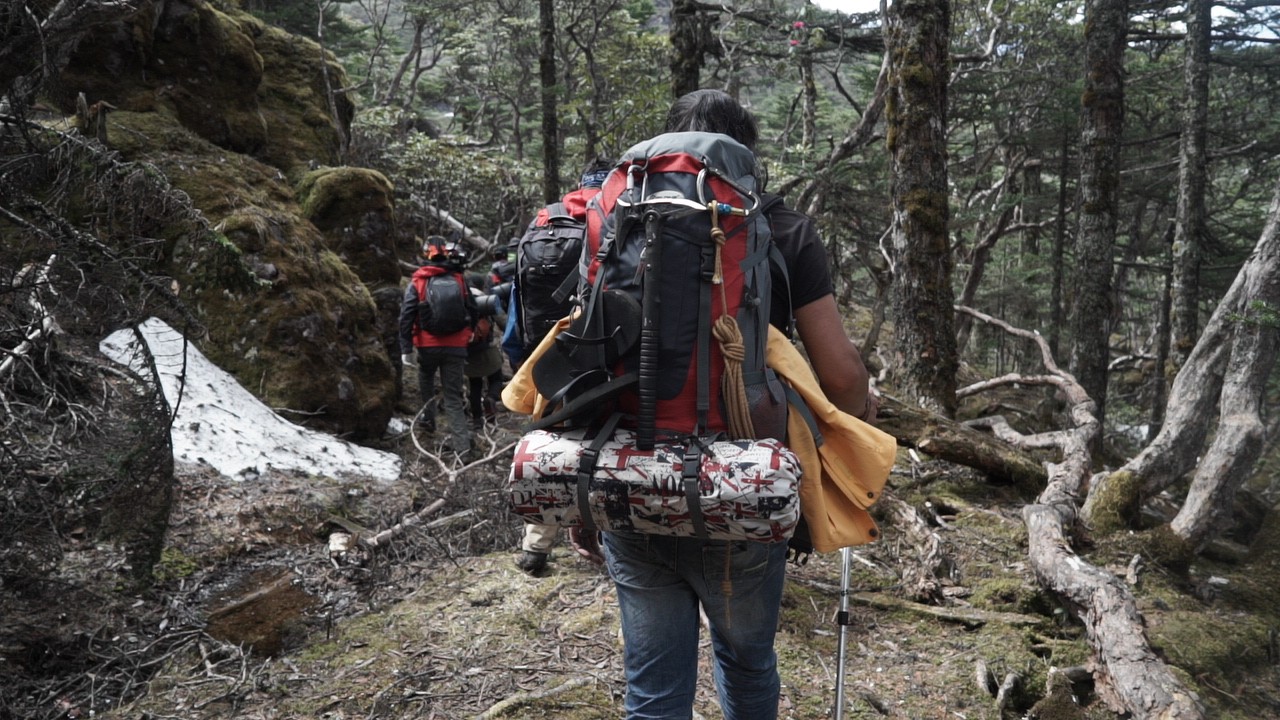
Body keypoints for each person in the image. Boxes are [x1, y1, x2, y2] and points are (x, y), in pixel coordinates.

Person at [571, 89, 879, 719]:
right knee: (746, 662)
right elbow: (842, 377)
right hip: (741, 479)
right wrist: (859, 423)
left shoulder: (616, 220)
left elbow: (578, 353)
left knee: (653, 686)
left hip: (631, 472)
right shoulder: (779, 227)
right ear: (744, 154)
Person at [508, 158, 613, 575]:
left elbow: (518, 296)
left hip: (549, 353)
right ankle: (607, 537)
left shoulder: (544, 222)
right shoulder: (616, 215)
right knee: (608, 440)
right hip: (603, 348)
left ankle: (536, 548)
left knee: (555, 443)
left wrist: (522, 356)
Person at [399, 236, 477, 460]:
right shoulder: (459, 279)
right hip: (456, 346)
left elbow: (406, 316)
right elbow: (472, 308)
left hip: (427, 346)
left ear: (427, 254)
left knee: (426, 379)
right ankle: (462, 446)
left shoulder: (419, 281)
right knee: (452, 395)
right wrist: (470, 331)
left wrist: (406, 348)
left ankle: (428, 419)